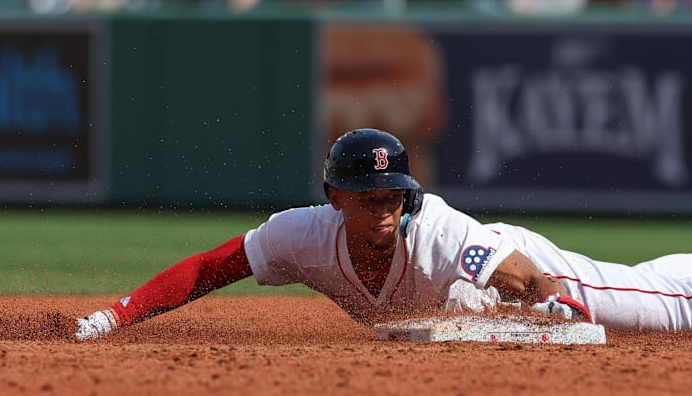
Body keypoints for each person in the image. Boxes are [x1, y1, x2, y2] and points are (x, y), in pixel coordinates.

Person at [76, 128, 692, 340]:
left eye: (395, 198)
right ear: (335, 199)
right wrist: (113, 318)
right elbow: (211, 267)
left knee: (658, 308)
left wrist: (554, 302)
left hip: (513, 255)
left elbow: (531, 277)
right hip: (464, 307)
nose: (386, 212)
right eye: (370, 200)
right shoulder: (302, 237)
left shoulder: (440, 231)